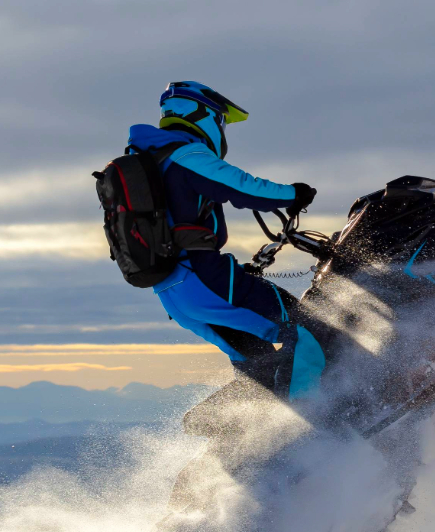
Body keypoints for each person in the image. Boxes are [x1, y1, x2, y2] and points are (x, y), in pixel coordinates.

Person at [126, 81, 325, 399]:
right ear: (202, 114)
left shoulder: (150, 160)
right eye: (220, 120)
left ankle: (267, 434)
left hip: (173, 292)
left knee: (255, 356)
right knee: (306, 326)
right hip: (207, 277)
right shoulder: (185, 153)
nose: (221, 129)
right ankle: (320, 413)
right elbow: (240, 186)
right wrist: (293, 194)